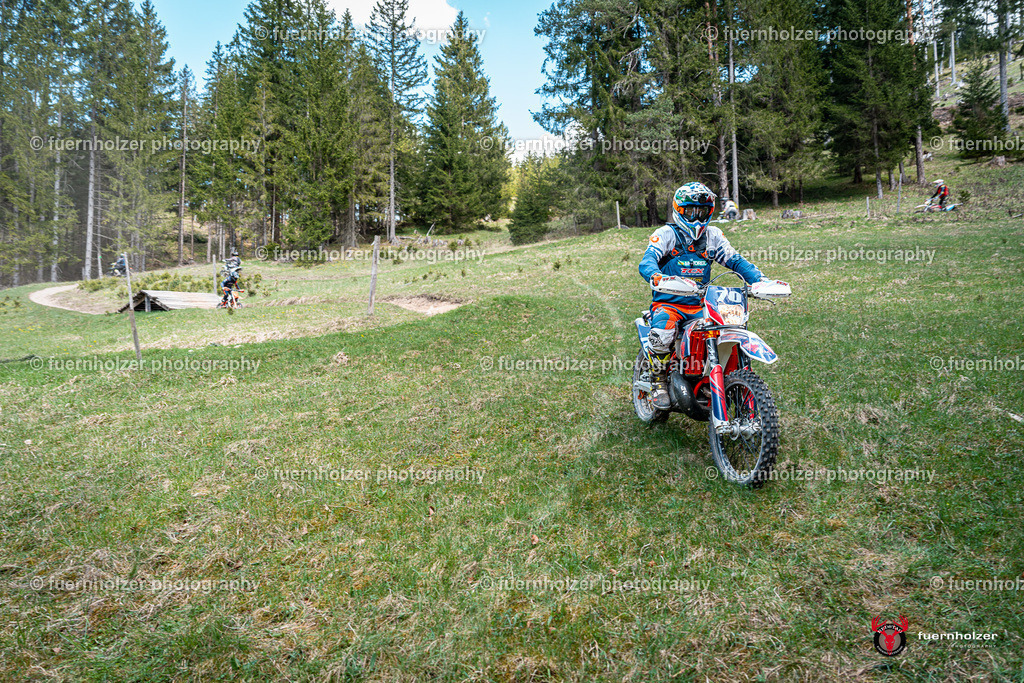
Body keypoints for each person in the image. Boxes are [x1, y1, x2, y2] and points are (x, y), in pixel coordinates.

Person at [638, 182, 771, 409]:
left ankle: (727, 378)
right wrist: (657, 277)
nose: (696, 218)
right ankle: (658, 380)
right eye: (691, 211)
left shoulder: (713, 236)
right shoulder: (666, 234)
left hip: (701, 303)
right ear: (679, 210)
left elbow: (735, 261)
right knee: (663, 329)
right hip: (669, 302)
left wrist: (759, 280)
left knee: (730, 327)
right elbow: (648, 260)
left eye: (702, 212)